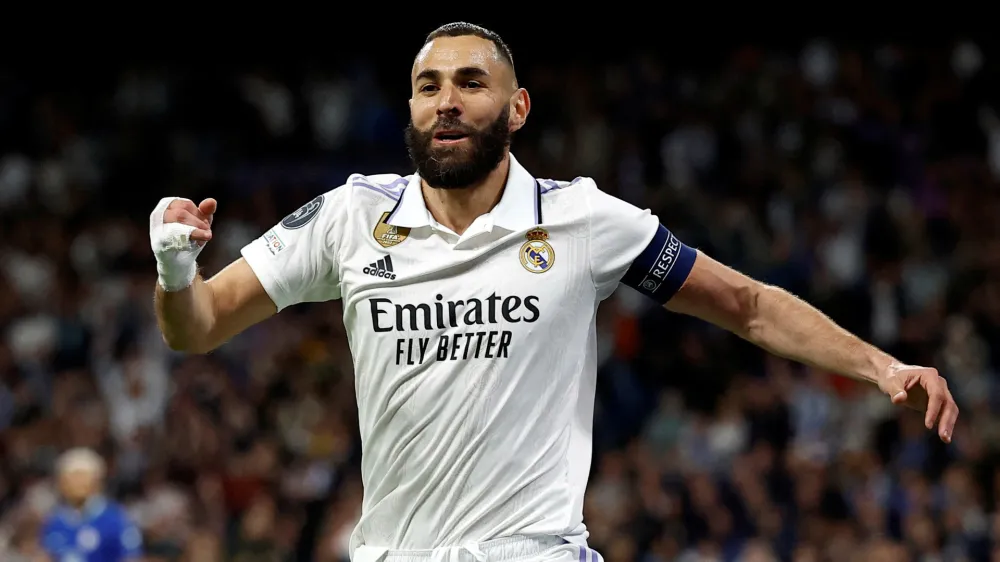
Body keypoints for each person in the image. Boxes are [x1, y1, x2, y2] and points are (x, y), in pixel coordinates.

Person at [149, 22, 959, 562]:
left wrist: (883, 368)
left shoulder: (580, 219)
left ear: (517, 107)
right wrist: (175, 268)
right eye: (429, 87)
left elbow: (745, 304)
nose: (448, 103)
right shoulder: (349, 217)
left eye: (470, 83)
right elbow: (199, 326)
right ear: (409, 107)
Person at [41, 448, 143, 562]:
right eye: (70, 477)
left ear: (97, 481)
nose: (76, 483)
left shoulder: (116, 518)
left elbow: (131, 557)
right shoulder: (54, 520)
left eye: (82, 476)